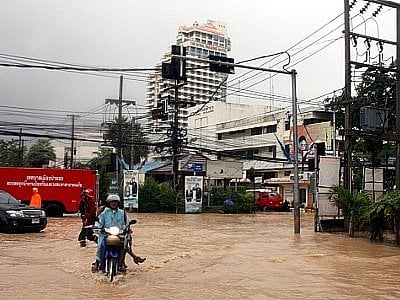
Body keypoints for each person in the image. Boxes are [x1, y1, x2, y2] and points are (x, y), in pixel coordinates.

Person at [91, 194, 145, 273]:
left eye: (115, 202)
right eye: (112, 202)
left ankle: (122, 262)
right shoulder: (104, 212)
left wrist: (128, 229)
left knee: (124, 245)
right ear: (109, 203)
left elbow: (126, 223)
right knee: (100, 246)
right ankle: (97, 262)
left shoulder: (122, 213)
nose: (113, 204)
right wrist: (97, 227)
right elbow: (99, 222)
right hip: (105, 234)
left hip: (119, 234)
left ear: (118, 203)